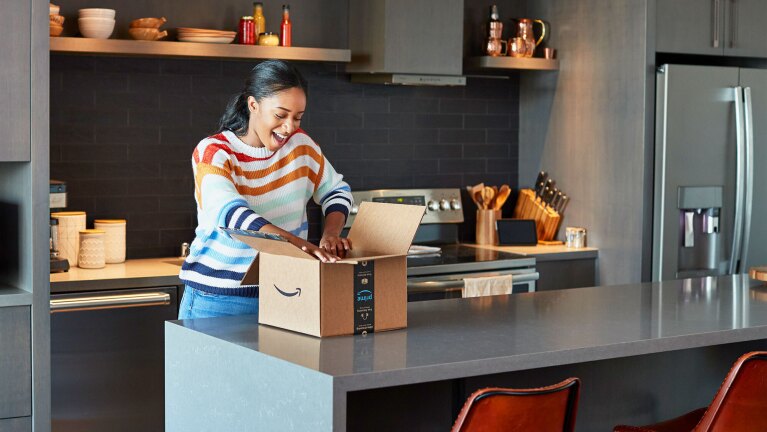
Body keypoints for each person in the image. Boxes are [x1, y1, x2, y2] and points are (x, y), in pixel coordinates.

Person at [178, 59, 353, 319]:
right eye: (280, 115)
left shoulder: (301, 146)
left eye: (298, 117)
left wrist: (330, 234)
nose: (289, 127)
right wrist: (301, 247)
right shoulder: (214, 152)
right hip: (218, 299)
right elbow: (233, 216)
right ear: (253, 105)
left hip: (286, 292)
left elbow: (337, 190)